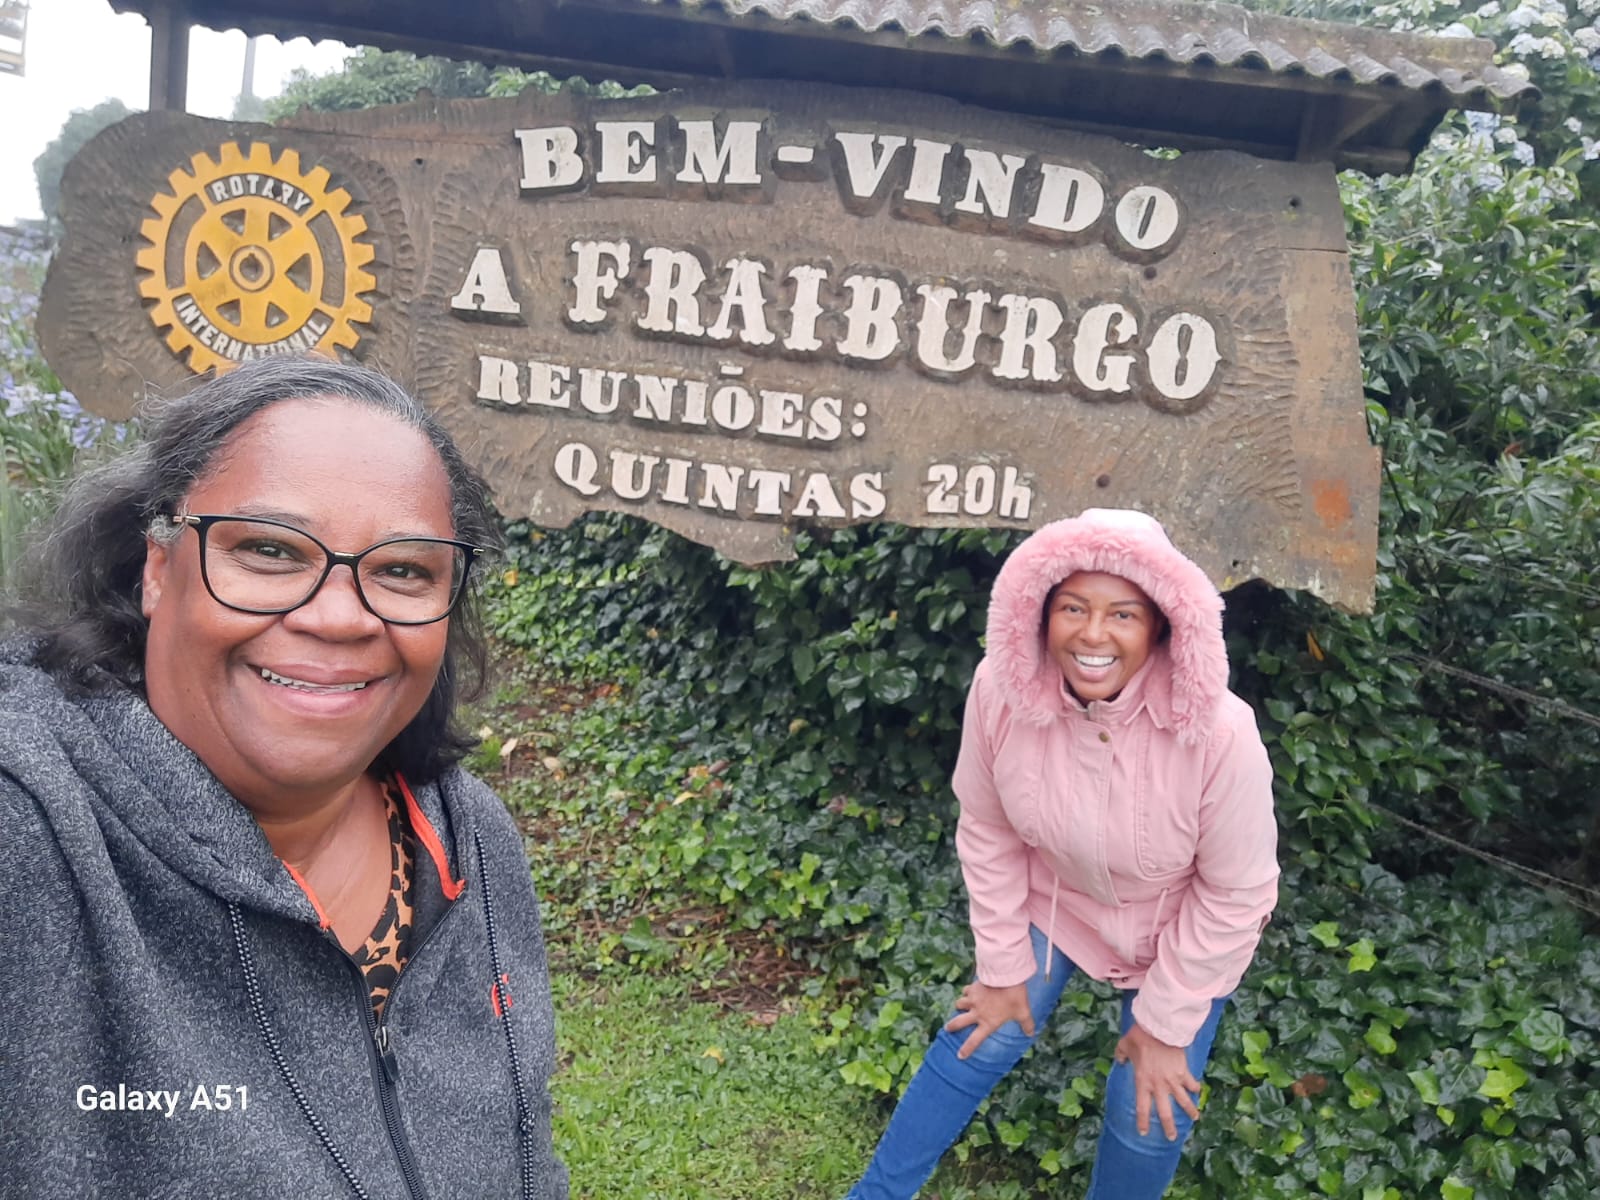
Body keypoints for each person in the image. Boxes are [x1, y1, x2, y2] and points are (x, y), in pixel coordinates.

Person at [0, 356, 567, 1199]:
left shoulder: (467, 839)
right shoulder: (30, 830)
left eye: (404, 569)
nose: (339, 616)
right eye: (268, 550)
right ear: (157, 567)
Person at [845, 508, 1279, 1199]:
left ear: (1161, 627)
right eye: (1073, 607)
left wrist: (1165, 1025)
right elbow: (987, 826)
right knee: (978, 1035)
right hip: (1057, 902)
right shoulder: (999, 690)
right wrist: (1001, 965)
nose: (1093, 634)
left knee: (1148, 1112)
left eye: (1124, 614)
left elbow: (1237, 892)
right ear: (1040, 613)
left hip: (1179, 933)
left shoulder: (1221, 732)